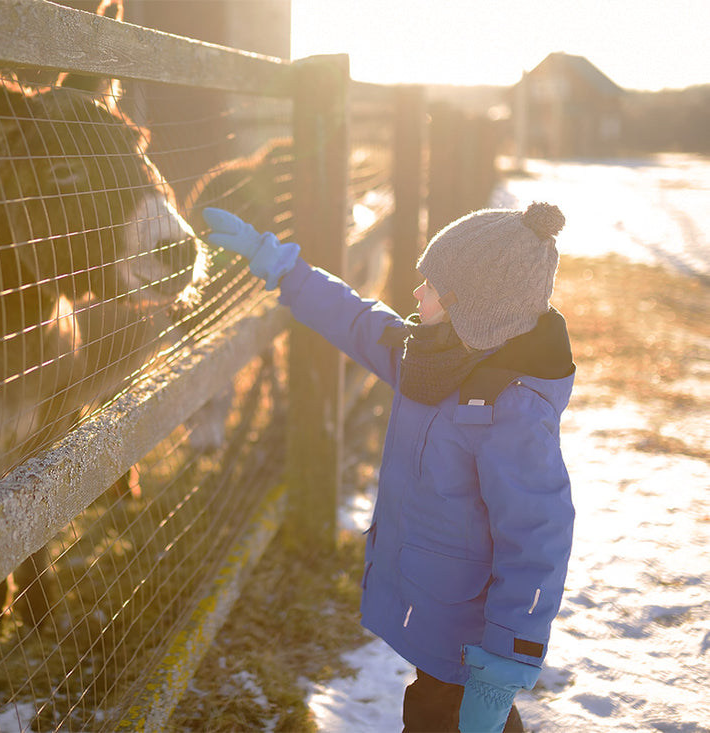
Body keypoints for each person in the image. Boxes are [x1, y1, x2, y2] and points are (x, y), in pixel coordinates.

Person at [202, 202, 575, 733]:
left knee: (438, 716)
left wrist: (505, 665)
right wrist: (282, 265)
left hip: (473, 638)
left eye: (433, 286)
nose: (417, 292)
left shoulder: (512, 412)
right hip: (439, 611)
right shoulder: (431, 357)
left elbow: (539, 539)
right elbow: (357, 321)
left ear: (473, 307)